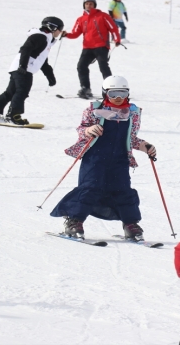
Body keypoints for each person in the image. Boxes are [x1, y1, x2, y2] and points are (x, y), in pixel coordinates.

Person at [50, 76, 156, 242]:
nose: (118, 97)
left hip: (120, 159)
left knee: (123, 190)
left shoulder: (132, 113)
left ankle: (130, 224)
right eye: (113, 93)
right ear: (105, 93)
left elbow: (132, 138)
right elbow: (82, 129)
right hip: (95, 157)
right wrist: (89, 130)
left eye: (122, 93)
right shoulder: (94, 109)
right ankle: (74, 221)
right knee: (90, 188)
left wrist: (146, 146)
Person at [0, 17, 63, 125]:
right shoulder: (40, 37)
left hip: (20, 68)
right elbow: (26, 49)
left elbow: (43, 61)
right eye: (60, 29)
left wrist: (50, 77)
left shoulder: (45, 39)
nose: (60, 32)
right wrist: (23, 66)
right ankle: (13, 116)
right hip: (24, 69)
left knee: (10, 92)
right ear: (53, 27)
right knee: (22, 91)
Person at [63, 0, 121, 99]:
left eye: (91, 4)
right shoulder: (81, 19)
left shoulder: (103, 16)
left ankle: (111, 89)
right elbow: (75, 33)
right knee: (81, 66)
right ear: (84, 5)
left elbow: (113, 28)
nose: (89, 5)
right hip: (87, 47)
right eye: (87, 4)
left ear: (94, 5)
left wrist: (116, 39)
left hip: (101, 46)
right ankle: (85, 88)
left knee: (103, 66)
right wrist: (66, 34)